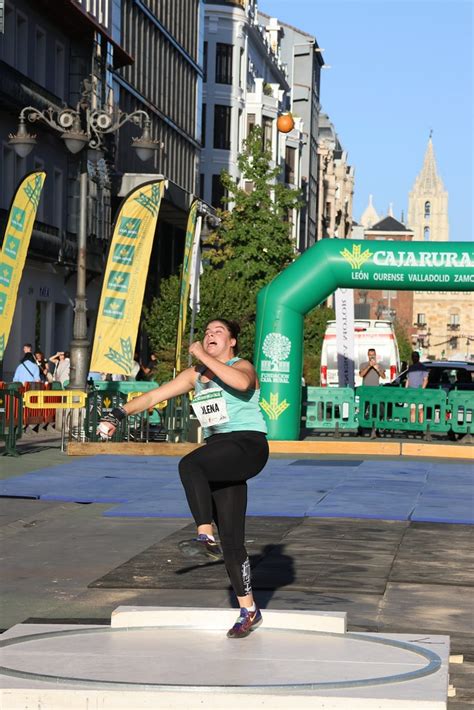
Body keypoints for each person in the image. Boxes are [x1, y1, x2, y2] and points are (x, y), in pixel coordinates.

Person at [98, 319, 269, 639]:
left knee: (189, 466)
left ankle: (204, 534)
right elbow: (153, 397)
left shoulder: (240, 364)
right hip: (220, 455)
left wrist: (203, 356)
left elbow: (243, 385)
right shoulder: (195, 376)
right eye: (206, 333)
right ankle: (249, 610)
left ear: (231, 342)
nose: (209, 336)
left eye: (217, 332)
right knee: (233, 541)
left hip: (247, 445)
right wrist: (117, 414)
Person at [405, 351, 428, 424]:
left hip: (419, 391)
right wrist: (405, 390)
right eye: (413, 356)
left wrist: (422, 390)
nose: (414, 358)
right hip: (410, 391)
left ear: (418, 357)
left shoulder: (423, 367)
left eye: (416, 356)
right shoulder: (410, 367)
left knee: (420, 410)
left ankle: (420, 427)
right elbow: (408, 379)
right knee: (412, 409)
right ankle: (413, 426)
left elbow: (426, 380)